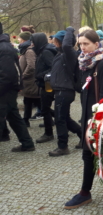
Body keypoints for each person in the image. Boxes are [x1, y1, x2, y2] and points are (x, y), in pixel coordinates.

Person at [64, 29, 103, 209]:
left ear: (96, 44)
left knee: (89, 154)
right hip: (86, 114)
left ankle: (85, 193)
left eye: (86, 44)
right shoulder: (84, 64)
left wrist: (98, 121)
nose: (83, 48)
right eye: (81, 44)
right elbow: (81, 88)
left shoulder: (102, 64)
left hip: (97, 118)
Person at [0, 22, 35, 152]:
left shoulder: (3, 48)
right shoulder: (4, 46)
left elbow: (7, 75)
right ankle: (27, 143)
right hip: (8, 89)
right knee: (13, 116)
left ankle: (27, 143)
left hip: (5, 90)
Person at [48, 27, 82, 156]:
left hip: (64, 91)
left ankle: (62, 147)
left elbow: (68, 45)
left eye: (55, 39)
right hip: (61, 90)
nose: (53, 41)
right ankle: (82, 135)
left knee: (60, 119)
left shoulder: (69, 54)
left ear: (60, 41)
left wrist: (69, 31)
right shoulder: (60, 53)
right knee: (65, 118)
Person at [31, 32, 57, 143]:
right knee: (45, 108)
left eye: (33, 42)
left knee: (45, 109)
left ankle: (48, 133)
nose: (31, 44)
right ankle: (64, 121)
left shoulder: (46, 52)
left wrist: (40, 75)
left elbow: (53, 68)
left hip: (48, 84)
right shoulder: (42, 50)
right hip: (45, 83)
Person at [18, 31, 39, 127]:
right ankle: (25, 120)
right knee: (28, 101)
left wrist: (23, 76)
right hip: (28, 82)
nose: (18, 40)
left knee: (37, 102)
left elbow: (31, 66)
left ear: (23, 39)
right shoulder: (25, 49)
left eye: (19, 38)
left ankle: (55, 118)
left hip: (30, 81)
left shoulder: (29, 51)